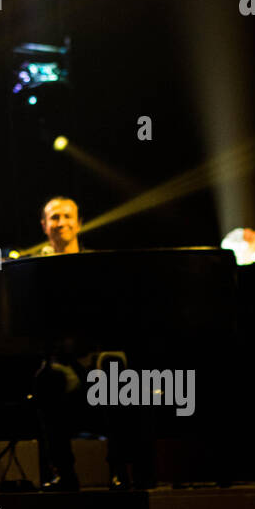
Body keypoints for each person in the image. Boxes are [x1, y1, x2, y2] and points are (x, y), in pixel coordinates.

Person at [32, 196, 148, 490]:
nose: (62, 223)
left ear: (79, 223)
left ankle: (120, 470)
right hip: (62, 362)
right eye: (55, 217)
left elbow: (118, 316)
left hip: (99, 356)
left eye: (67, 216)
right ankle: (64, 473)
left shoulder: (100, 266)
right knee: (47, 379)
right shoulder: (35, 270)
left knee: (115, 369)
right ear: (45, 226)